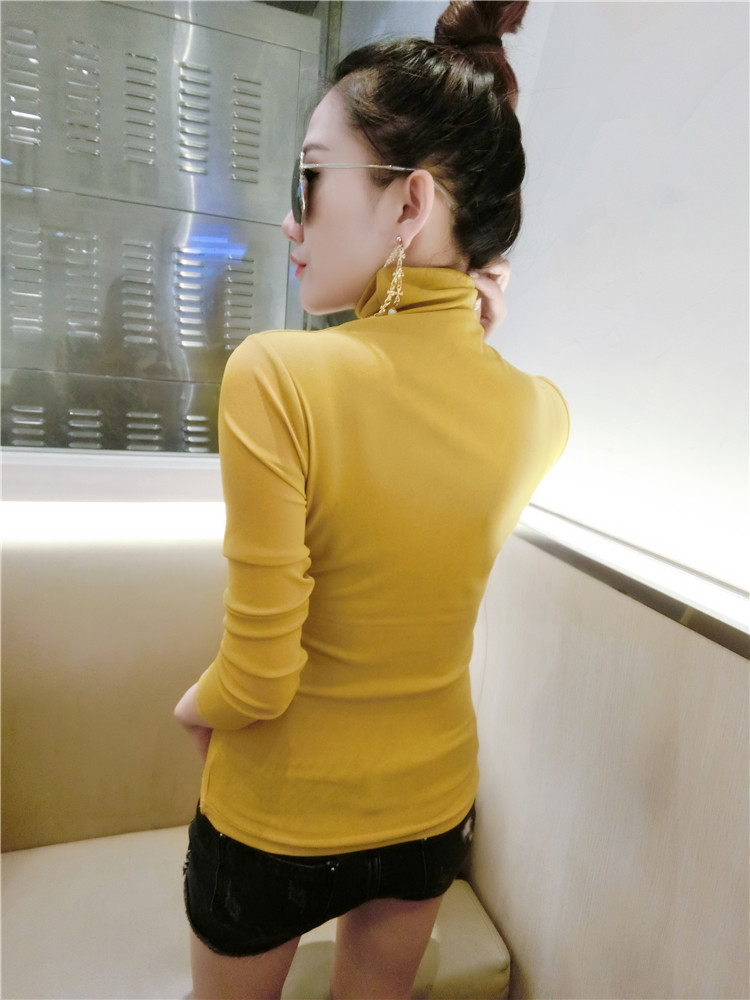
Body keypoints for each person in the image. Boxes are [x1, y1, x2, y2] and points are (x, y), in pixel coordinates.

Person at [173, 2, 569, 997]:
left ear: (409, 203)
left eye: (310, 177)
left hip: (275, 819)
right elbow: (438, 426)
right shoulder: (541, 412)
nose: (291, 218)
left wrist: (193, 707)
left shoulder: (276, 375)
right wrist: (464, 332)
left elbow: (258, 678)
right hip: (430, 811)